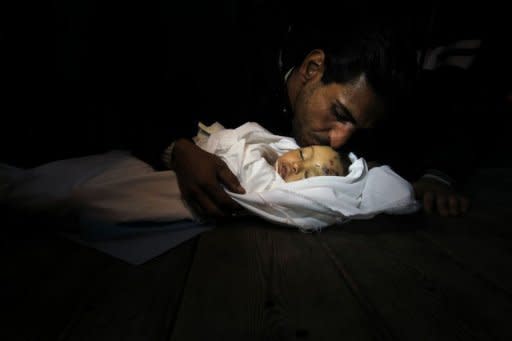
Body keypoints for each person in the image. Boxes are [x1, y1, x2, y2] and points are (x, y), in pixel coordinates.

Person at [129, 10, 470, 220]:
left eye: (358, 128)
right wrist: (178, 149)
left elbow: (436, 130)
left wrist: (435, 176)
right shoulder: (229, 65)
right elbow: (136, 102)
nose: (339, 139)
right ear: (312, 68)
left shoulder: (366, 130)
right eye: (339, 113)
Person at [0, 121, 418, 232]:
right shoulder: (270, 145)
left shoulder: (278, 188)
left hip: (186, 184)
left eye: (312, 173)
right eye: (305, 153)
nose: (299, 163)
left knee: (87, 196)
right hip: (184, 157)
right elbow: (242, 140)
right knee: (85, 176)